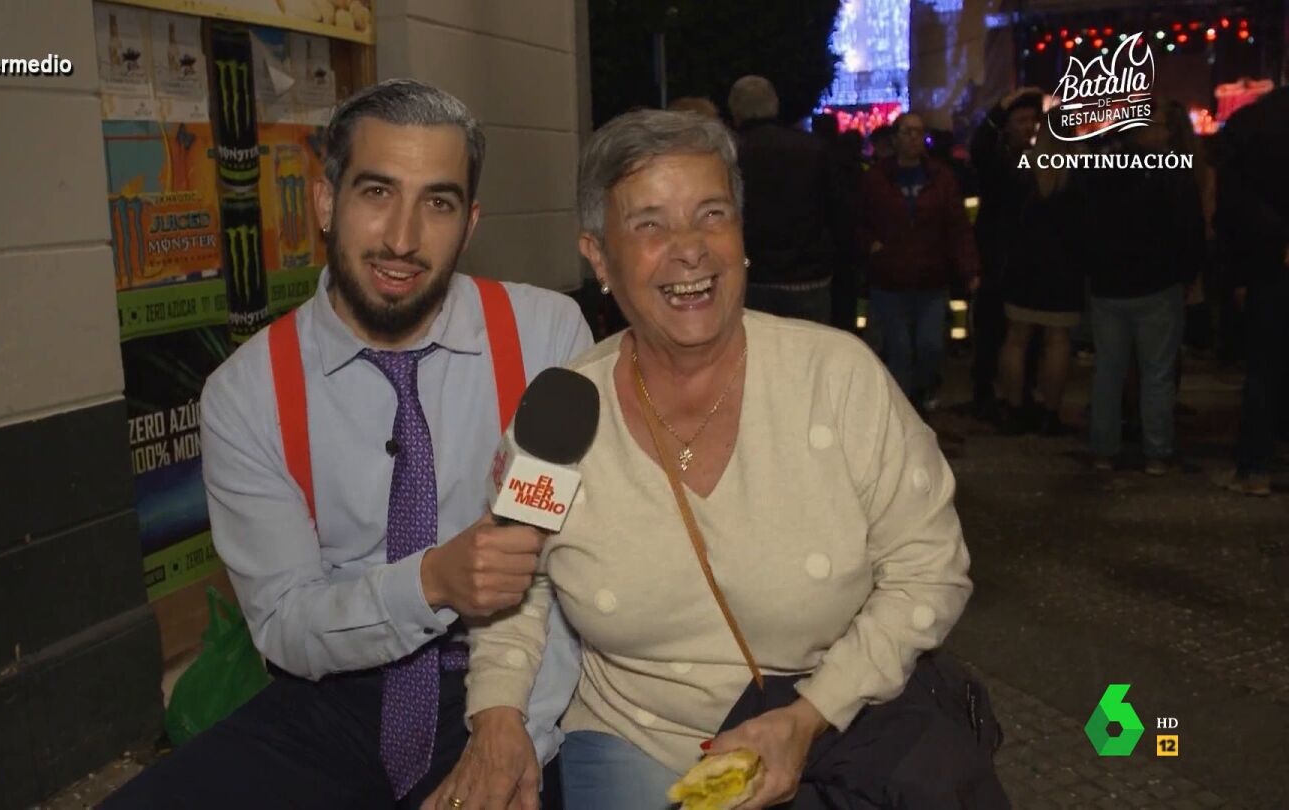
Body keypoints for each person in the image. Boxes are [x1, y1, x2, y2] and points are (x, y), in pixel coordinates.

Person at [426, 109, 1006, 810]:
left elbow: (928, 567)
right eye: (649, 224)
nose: (690, 249)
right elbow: (515, 583)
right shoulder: (560, 419)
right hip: (637, 740)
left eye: (712, 214)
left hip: (837, 722)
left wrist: (812, 714)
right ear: (599, 258)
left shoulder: (837, 379)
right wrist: (497, 717)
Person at [105, 79, 592, 808]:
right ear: (326, 202)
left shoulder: (543, 339)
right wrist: (432, 581)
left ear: (469, 224)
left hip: (511, 680)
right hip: (336, 693)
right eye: (377, 193)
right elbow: (286, 624)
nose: (402, 238)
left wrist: (512, 728)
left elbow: (556, 574)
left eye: (437, 203)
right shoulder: (248, 393)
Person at [1080, 118, 1206, 474]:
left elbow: (1084, 223)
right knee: (1157, 372)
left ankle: (1103, 448)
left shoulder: (1099, 170)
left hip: (1109, 284)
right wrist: (1187, 274)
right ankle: (1157, 452)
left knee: (1109, 370)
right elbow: (1189, 227)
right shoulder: (1171, 172)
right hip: (1158, 283)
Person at [858, 112, 980, 410]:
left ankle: (924, 389)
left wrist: (970, 268)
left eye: (919, 132)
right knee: (898, 348)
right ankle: (905, 409)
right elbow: (858, 218)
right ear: (895, 138)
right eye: (907, 132)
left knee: (930, 346)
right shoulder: (876, 178)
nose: (914, 138)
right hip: (890, 277)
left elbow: (957, 226)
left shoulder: (940, 177)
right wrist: (871, 245)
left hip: (930, 277)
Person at [728, 75, 852, 325]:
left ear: (735, 110)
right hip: (808, 276)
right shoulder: (813, 149)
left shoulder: (730, 154)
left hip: (752, 276)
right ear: (775, 105)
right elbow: (839, 212)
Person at [1216, 86, 1289, 496]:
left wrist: (1237, 273)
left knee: (1264, 367)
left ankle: (1255, 466)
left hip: (1267, 262)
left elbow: (1233, 206)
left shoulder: (1252, 124)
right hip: (1268, 256)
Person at [996, 115, 1085, 435]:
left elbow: (1006, 217)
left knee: (1016, 339)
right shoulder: (1078, 172)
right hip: (1064, 269)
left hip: (1024, 266)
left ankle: (1014, 408)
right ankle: (1050, 412)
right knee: (1057, 342)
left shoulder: (1023, 169)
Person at [970, 87, 1043, 421]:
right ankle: (985, 394)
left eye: (1032, 120)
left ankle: (1021, 392)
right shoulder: (998, 161)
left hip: (1029, 264)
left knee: (1029, 336)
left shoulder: (1043, 162)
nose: (1028, 127)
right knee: (991, 332)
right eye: (1021, 120)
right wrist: (1002, 106)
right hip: (997, 262)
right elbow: (981, 145)